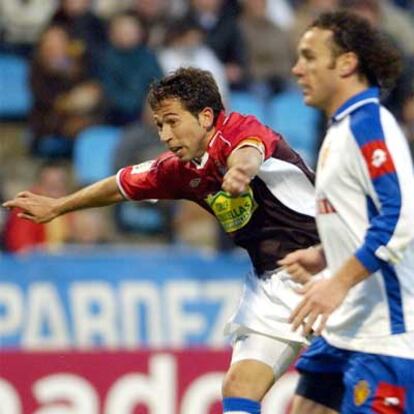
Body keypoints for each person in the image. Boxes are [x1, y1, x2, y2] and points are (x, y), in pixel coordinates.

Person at [3, 67, 324, 413]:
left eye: (172, 121)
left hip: (330, 266)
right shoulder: (179, 169)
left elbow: (250, 151)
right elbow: (119, 186)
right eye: (159, 125)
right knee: (239, 386)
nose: (165, 134)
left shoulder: (237, 130)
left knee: (343, 390)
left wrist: (240, 171)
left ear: (204, 117)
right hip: (273, 281)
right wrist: (58, 206)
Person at [279, 10, 414, 414]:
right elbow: (364, 218)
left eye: (308, 57)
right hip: (344, 329)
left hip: (385, 336)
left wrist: (336, 282)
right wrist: (325, 254)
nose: (296, 69)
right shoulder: (339, 128)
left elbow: (402, 218)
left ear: (347, 63)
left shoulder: (368, 126)